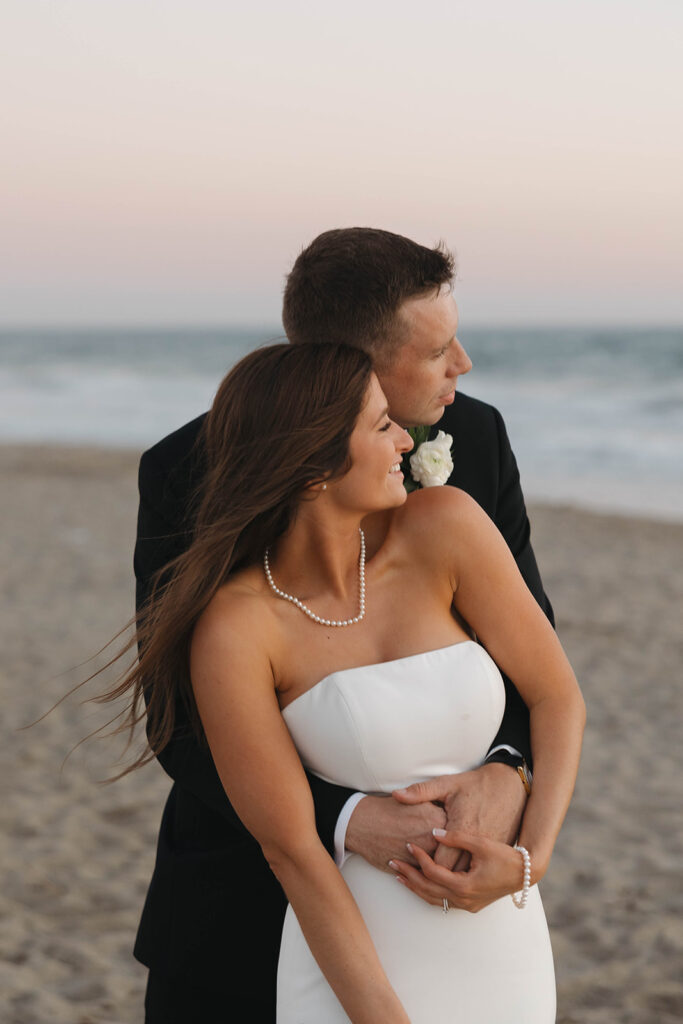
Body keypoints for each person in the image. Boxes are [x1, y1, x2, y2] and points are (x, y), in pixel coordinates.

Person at [133, 229, 556, 1020]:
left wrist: (509, 771)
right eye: (436, 350)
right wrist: (344, 821)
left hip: (449, 905)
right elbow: (176, 716)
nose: (462, 365)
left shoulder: (476, 439)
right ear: (347, 363)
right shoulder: (185, 468)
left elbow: (532, 658)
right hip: (240, 910)